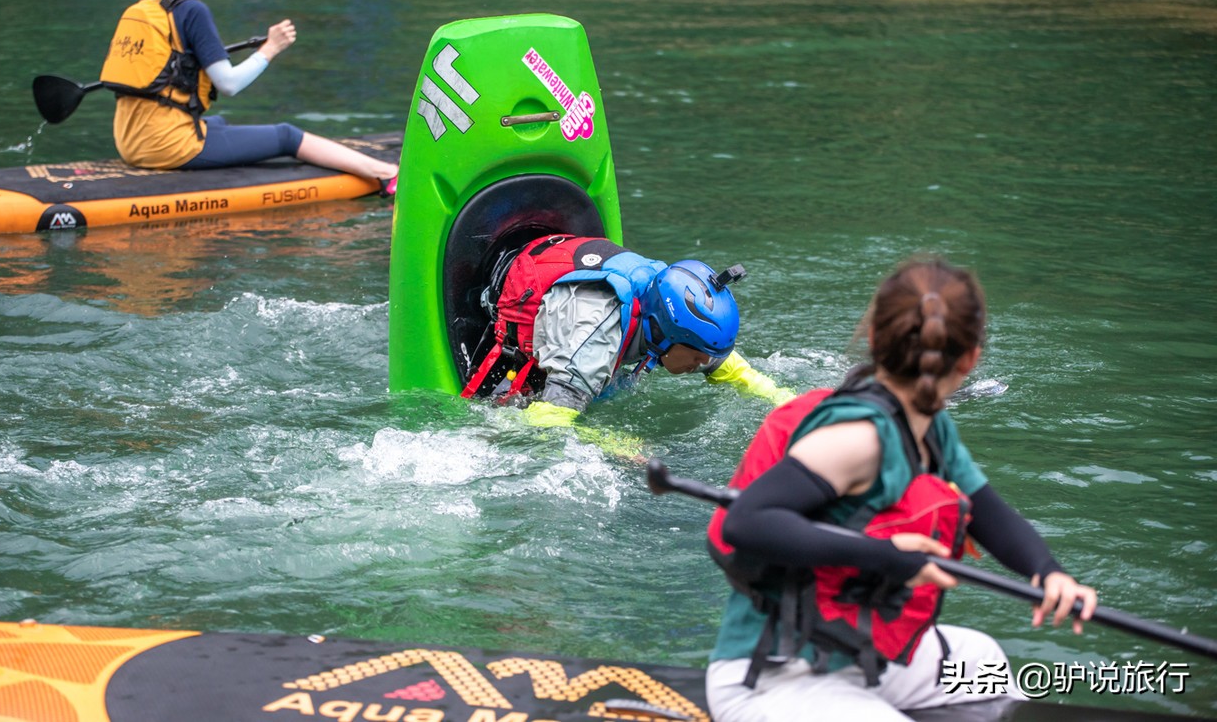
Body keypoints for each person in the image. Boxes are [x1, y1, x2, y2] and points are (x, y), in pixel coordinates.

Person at [704, 257, 1097, 721]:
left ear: (872, 339)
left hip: (860, 657)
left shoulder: (931, 427)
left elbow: (988, 513)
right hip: (773, 675)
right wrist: (888, 554)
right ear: (971, 359)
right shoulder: (858, 438)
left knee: (980, 660)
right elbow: (746, 521)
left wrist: (1048, 572)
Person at [100, 0, 398, 190]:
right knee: (285, 135)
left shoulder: (147, 3)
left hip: (129, 141)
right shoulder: (192, 10)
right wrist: (271, 48)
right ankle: (385, 173)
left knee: (219, 124)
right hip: (167, 146)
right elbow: (229, 84)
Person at [460, 235, 793, 453]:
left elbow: (725, 364)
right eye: (696, 358)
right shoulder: (596, 340)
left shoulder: (663, 299)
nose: (702, 365)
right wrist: (611, 442)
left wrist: (781, 399)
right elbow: (545, 421)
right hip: (497, 305)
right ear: (663, 336)